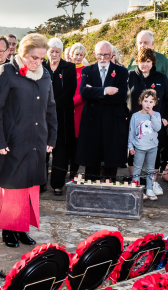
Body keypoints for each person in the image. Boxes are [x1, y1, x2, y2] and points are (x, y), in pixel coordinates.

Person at [0, 33, 56, 247]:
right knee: (12, 188)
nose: (38, 63)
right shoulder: (6, 72)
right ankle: (8, 231)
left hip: (37, 140)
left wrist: (52, 136)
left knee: (29, 186)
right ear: (22, 53)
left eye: (41, 58)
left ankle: (22, 229)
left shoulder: (45, 75)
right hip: (12, 141)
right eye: (34, 58)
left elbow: (50, 107)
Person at [75, 41, 129, 181]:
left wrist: (95, 94)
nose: (103, 58)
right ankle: (90, 186)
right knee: (91, 157)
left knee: (112, 157)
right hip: (92, 120)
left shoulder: (121, 72)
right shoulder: (87, 70)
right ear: (94, 54)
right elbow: (84, 92)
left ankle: (110, 186)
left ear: (112, 54)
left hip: (112, 120)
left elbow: (121, 96)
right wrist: (106, 91)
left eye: (106, 55)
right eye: (100, 55)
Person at [128, 47, 168, 193]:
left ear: (153, 62)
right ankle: (135, 183)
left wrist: (166, 118)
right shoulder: (129, 76)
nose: (145, 64)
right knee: (133, 153)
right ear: (137, 62)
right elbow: (123, 98)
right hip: (135, 124)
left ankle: (151, 185)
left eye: (148, 61)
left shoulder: (161, 78)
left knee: (153, 154)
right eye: (142, 61)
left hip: (154, 125)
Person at [42, 37, 76, 195]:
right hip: (42, 115)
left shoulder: (68, 68)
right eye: (51, 51)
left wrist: (53, 104)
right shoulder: (41, 66)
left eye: (57, 51)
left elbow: (70, 91)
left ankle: (57, 184)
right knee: (42, 149)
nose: (54, 54)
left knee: (61, 151)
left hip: (62, 116)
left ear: (61, 52)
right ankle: (41, 182)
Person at [128, 89, 162, 200]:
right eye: (146, 101)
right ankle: (136, 189)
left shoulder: (156, 115)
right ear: (140, 101)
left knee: (150, 169)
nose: (148, 104)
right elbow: (131, 132)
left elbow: (157, 128)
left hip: (152, 147)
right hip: (139, 147)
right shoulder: (135, 116)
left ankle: (150, 189)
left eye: (151, 102)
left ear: (155, 103)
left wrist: (152, 115)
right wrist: (130, 146)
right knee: (137, 168)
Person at [69, 43, 87, 179]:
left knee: (76, 143)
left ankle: (74, 172)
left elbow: (85, 92)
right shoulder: (67, 68)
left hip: (79, 110)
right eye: (76, 54)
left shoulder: (86, 71)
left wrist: (72, 102)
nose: (78, 57)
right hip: (67, 109)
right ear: (72, 55)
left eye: (81, 55)